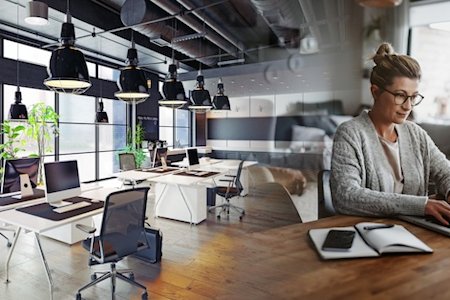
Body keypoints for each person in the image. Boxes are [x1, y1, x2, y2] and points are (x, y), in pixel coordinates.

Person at [330, 42, 450, 225]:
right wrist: (422, 205)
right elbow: (346, 195)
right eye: (400, 95)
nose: (408, 106)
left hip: (416, 232)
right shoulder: (350, 133)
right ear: (375, 92)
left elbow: (445, 172)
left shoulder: (416, 134)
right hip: (368, 234)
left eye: (413, 97)